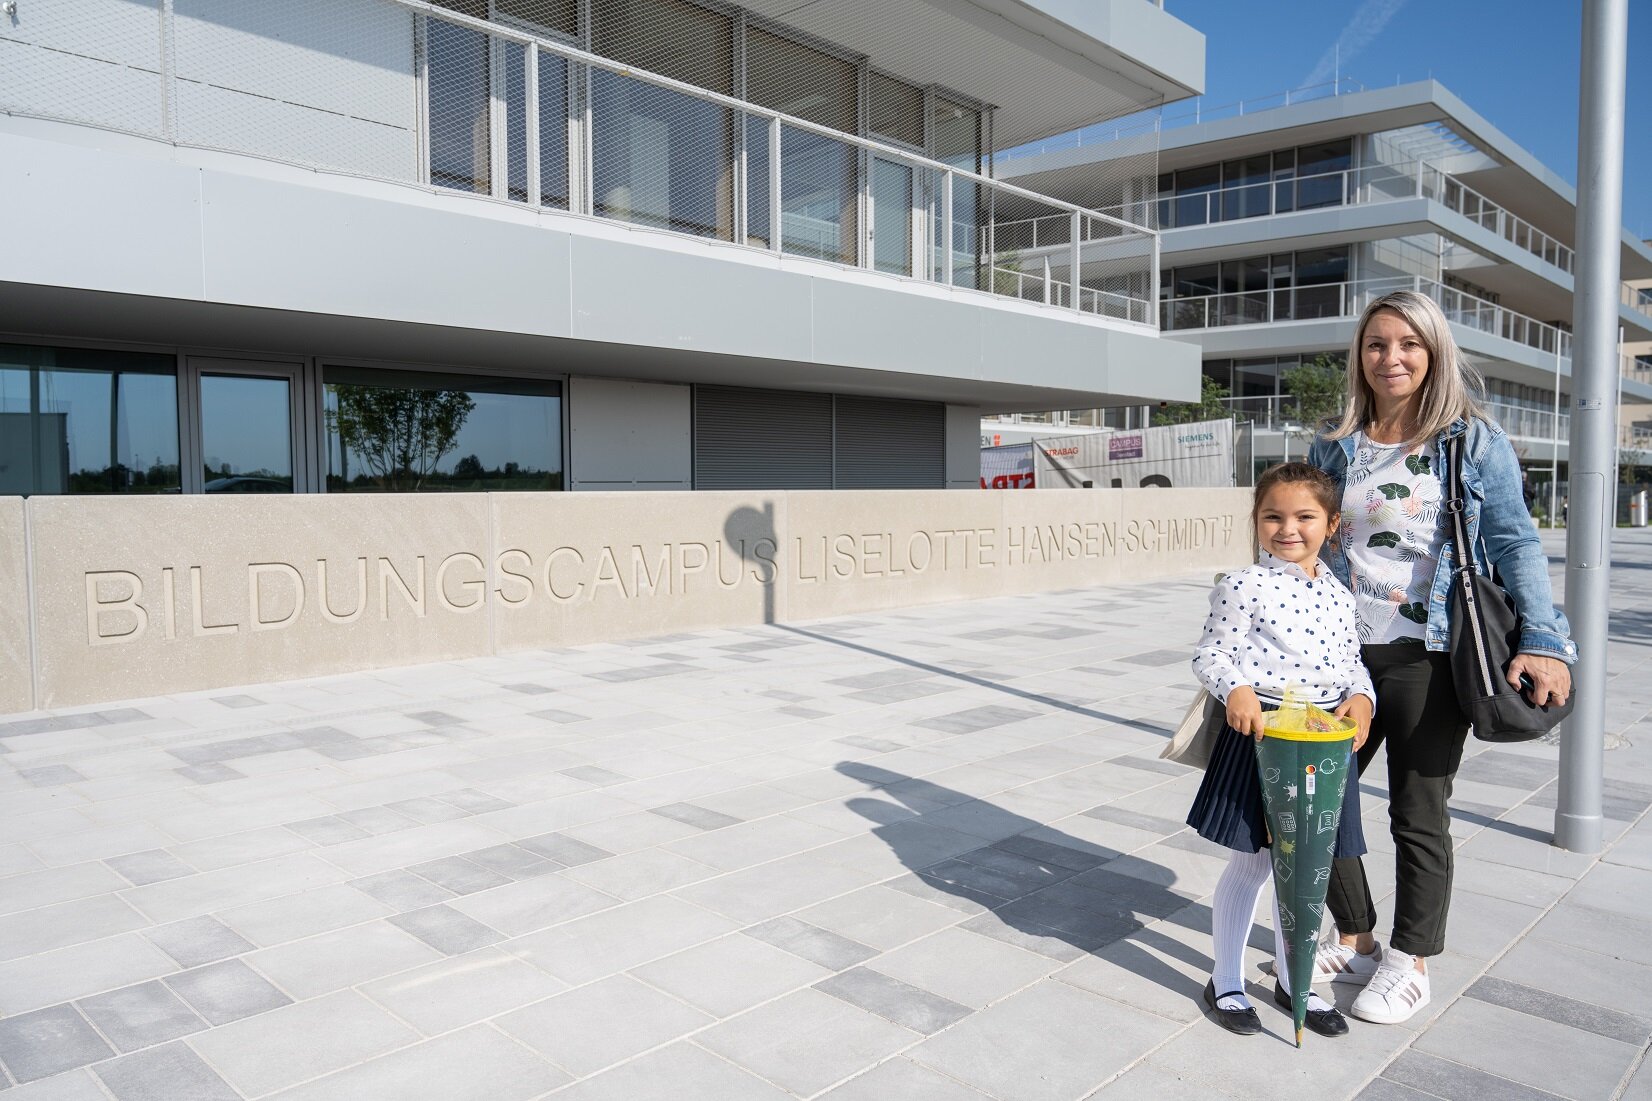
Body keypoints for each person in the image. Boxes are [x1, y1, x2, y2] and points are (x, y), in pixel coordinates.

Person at [1306, 290, 1576, 1024]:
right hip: (1344, 659)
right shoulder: (1335, 445)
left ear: (1433, 352)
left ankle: (1411, 958)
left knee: (1416, 812)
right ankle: (1359, 940)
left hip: (1429, 656)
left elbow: (1516, 542)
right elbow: (1310, 544)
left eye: (1407, 344)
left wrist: (1544, 642)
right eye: (1376, 344)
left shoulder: (1469, 440)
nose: (1391, 357)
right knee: (1310, 797)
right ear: (1360, 356)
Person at [1187, 461, 1375, 1038]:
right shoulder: (1243, 584)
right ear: (1257, 520)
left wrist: (1362, 700)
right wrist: (1236, 689)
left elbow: (1353, 668)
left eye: (1304, 517)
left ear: (1333, 524)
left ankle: (1296, 982)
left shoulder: (1342, 598)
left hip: (1321, 744)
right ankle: (1225, 981)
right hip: (1262, 740)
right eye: (1273, 516)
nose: (1287, 528)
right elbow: (1210, 655)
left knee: (1308, 868)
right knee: (1254, 863)